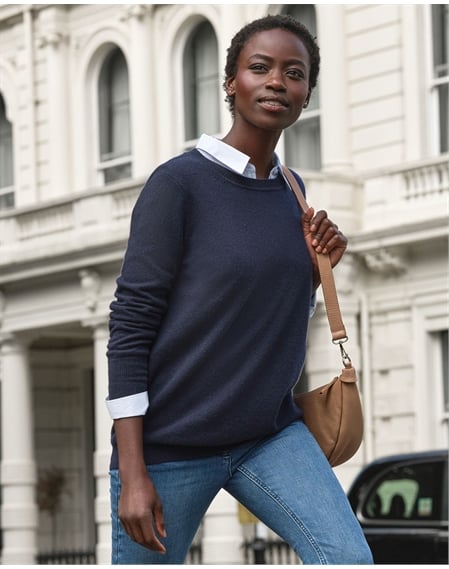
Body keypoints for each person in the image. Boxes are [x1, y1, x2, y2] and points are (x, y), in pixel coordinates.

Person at [106, 13, 373, 565]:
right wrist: (133, 471)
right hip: (169, 446)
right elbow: (130, 327)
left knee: (349, 559)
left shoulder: (293, 191)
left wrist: (320, 266)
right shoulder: (178, 184)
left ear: (305, 95)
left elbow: (260, 315)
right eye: (260, 68)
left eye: (293, 73)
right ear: (231, 82)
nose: (277, 81)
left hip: (269, 436)